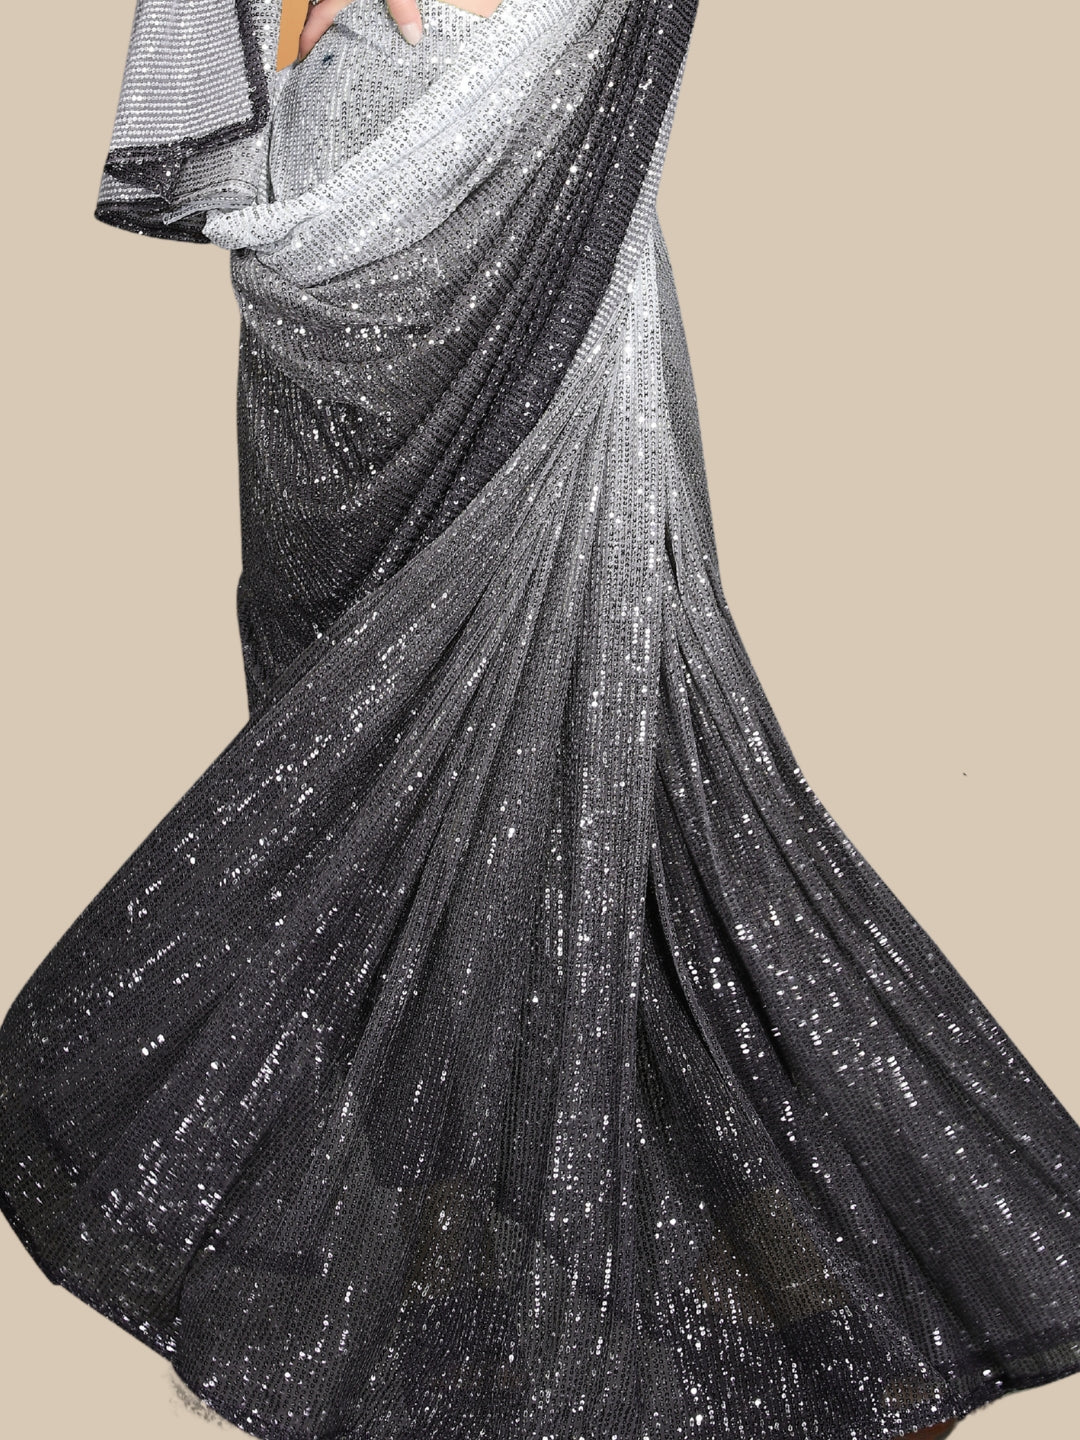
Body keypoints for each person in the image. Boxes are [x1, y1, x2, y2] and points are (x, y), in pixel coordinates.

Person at [0, 3, 1077, 1438]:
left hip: (523, 367)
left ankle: (834, 1325)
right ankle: (505, 1318)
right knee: (391, 869)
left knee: (607, 839)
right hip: (344, 383)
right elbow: (261, 127)